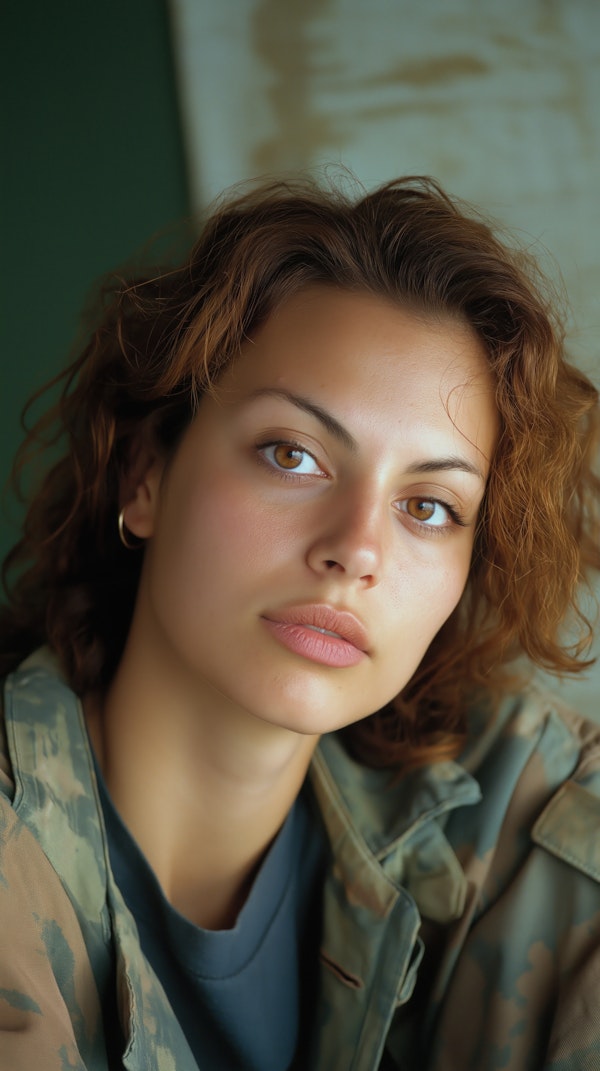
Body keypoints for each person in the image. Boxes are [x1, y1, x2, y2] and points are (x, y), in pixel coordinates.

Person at [0, 175, 599, 1071]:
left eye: (430, 506)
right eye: (295, 454)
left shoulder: (521, 798)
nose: (357, 548)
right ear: (146, 476)